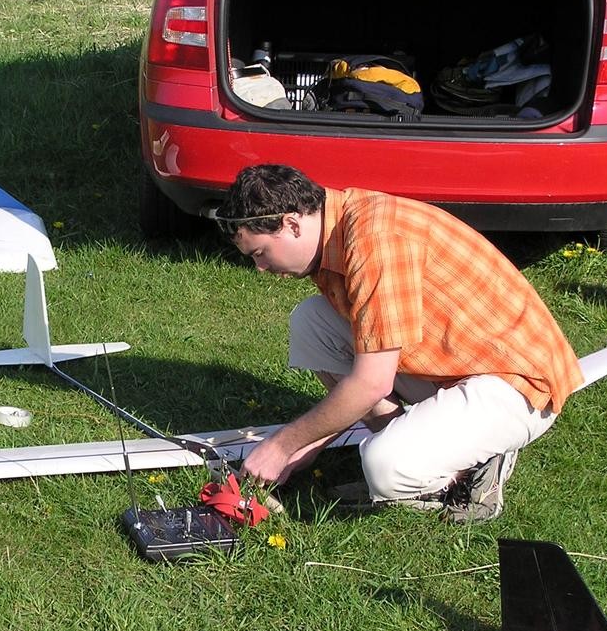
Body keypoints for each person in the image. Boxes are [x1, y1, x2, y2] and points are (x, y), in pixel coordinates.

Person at [215, 164, 583, 522]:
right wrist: (302, 448)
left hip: (518, 383)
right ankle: (418, 449)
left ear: (292, 224)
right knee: (311, 322)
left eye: (259, 253)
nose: (260, 268)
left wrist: (282, 445)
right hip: (459, 363)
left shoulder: (375, 240)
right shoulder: (334, 233)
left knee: (384, 465)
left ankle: (467, 472)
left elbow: (372, 383)